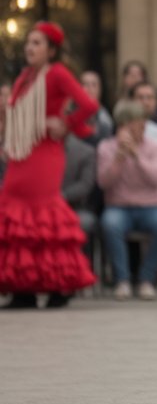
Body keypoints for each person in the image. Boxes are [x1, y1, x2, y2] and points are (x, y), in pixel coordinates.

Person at [0, 23, 99, 308]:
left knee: (43, 214)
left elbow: (88, 105)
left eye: (37, 43)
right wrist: (9, 140)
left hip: (45, 153)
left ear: (51, 50)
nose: (29, 48)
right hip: (21, 153)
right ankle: (23, 288)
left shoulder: (57, 74)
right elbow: (16, 114)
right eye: (28, 42)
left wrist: (65, 123)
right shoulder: (24, 77)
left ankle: (58, 285)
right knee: (16, 214)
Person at [98, 100, 157, 301]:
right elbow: (104, 182)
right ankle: (122, 280)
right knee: (110, 224)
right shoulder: (106, 147)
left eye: (143, 122)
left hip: (151, 206)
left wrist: (137, 156)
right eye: (136, 122)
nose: (142, 126)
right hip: (119, 206)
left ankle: (146, 280)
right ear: (123, 125)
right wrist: (118, 158)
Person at [79, 69, 115, 145]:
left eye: (94, 85)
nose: (89, 88)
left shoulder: (105, 121)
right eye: (85, 84)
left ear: (100, 90)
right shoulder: (68, 111)